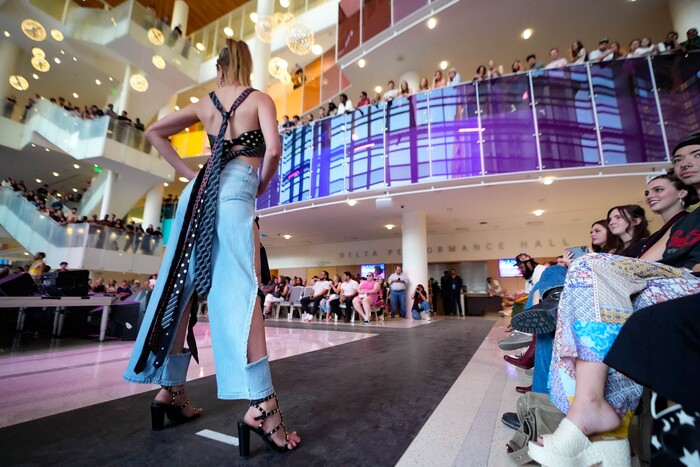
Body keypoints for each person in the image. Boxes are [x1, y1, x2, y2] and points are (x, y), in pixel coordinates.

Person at [122, 38, 300, 455]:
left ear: (219, 69)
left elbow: (154, 132)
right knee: (243, 292)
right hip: (235, 192)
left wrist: (190, 175)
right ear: (247, 65)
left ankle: (170, 389)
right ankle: (262, 406)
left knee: (180, 290)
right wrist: (259, 183)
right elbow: (273, 150)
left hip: (198, 195)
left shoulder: (205, 104)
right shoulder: (260, 99)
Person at [527, 135, 700, 465]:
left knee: (589, 280)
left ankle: (591, 415)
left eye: (696, 155)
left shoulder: (678, 221)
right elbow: (646, 264)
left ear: (680, 193)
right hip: (671, 281)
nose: (685, 163)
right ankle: (602, 428)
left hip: (687, 283)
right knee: (589, 284)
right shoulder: (685, 222)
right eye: (679, 159)